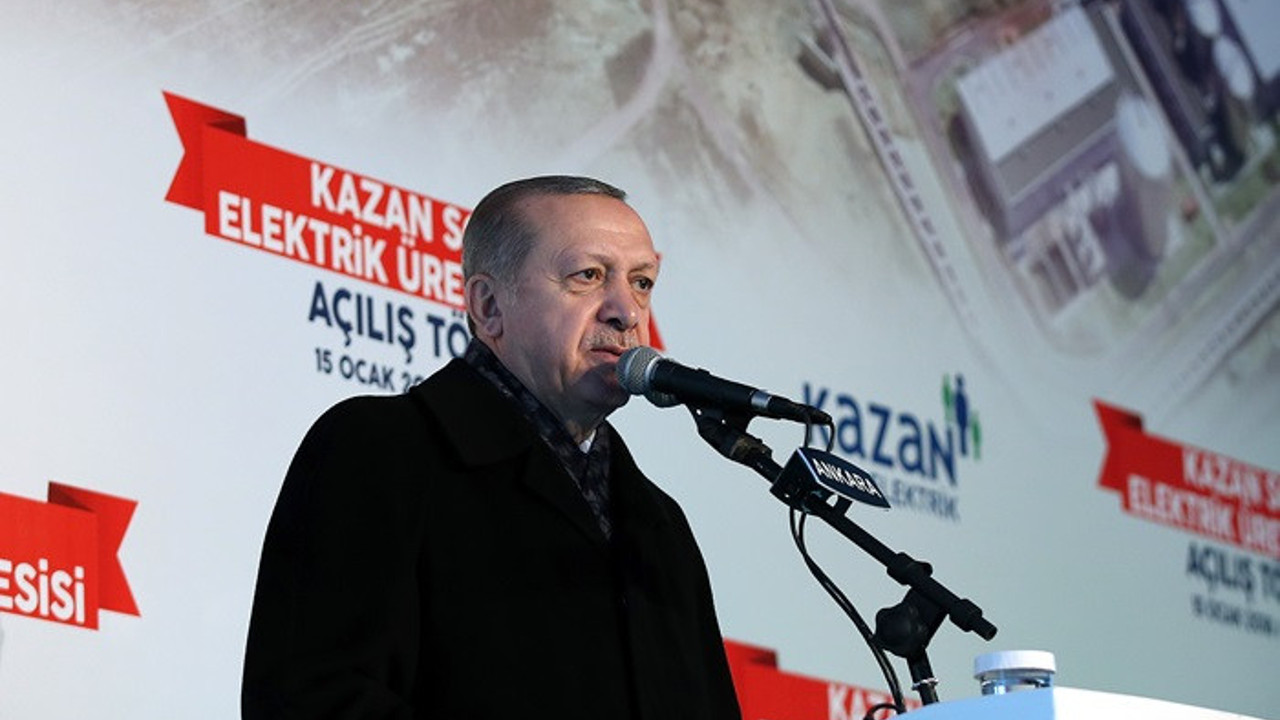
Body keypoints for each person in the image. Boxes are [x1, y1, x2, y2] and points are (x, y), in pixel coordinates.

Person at [242, 176, 742, 719]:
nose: (627, 311)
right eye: (589, 275)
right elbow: (313, 700)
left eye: (642, 282)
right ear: (488, 305)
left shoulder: (660, 523)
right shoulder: (381, 448)